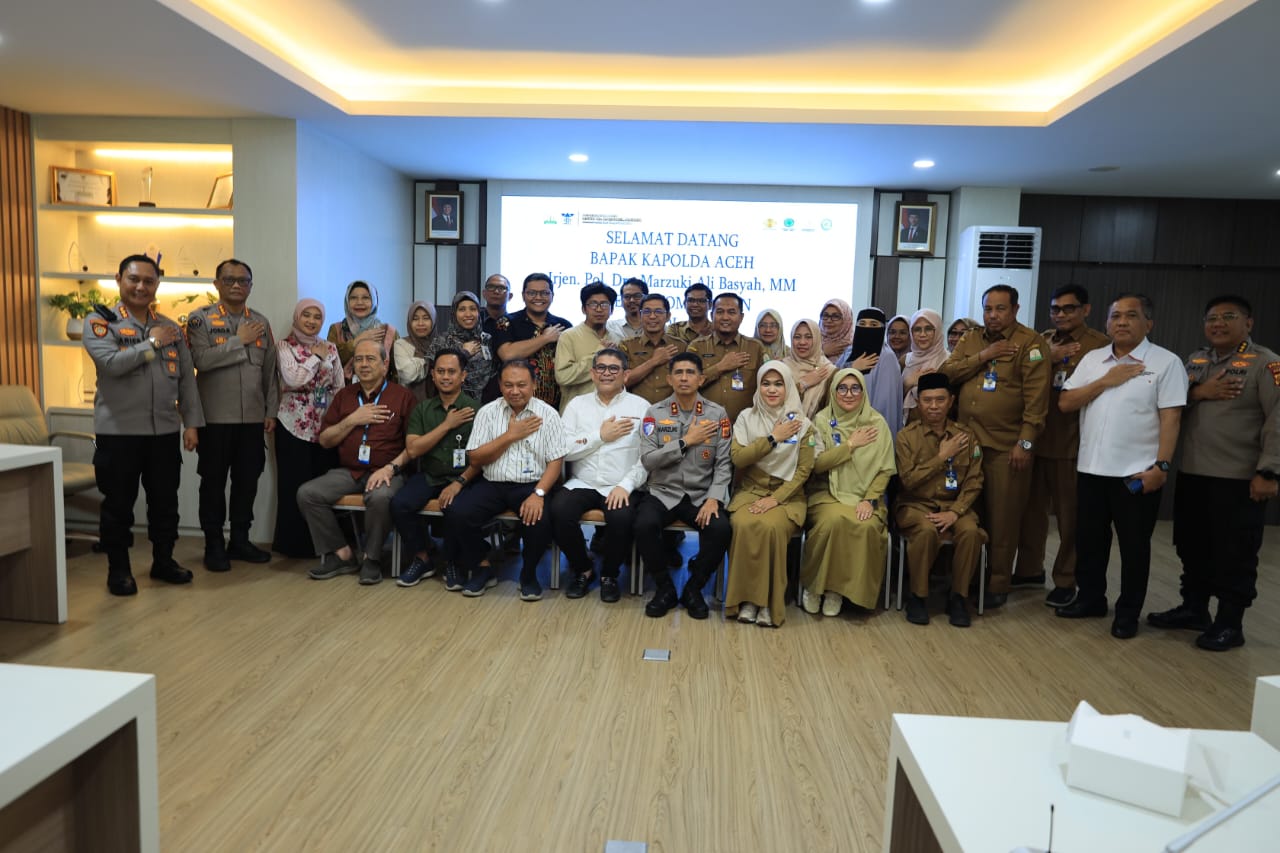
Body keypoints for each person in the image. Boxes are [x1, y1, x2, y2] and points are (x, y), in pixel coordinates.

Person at [1148, 296, 1278, 651]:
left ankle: (1230, 623)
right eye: (1211, 318)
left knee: (1235, 552)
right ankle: (1194, 609)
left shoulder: (1266, 363)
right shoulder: (1196, 360)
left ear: (1248, 323)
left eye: (1228, 317)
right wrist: (1199, 392)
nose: (1218, 324)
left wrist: (1270, 471)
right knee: (1192, 545)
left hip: (1238, 478)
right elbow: (1171, 404)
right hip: (1193, 472)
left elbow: (1278, 421)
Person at [1056, 294, 1187, 639]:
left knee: (1134, 546)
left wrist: (1161, 466)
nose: (1122, 322)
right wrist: (1105, 380)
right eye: (1115, 316)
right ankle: (1091, 599)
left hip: (1136, 473)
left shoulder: (1166, 362)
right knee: (1089, 541)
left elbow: (1171, 418)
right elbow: (1066, 402)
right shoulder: (1093, 360)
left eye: (1131, 316)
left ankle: (1128, 612)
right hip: (1091, 469)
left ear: (1149, 323)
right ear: (1106, 323)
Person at [84, 254, 204, 596]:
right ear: (119, 279)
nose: (141, 287)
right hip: (119, 433)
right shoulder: (100, 322)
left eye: (149, 281)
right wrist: (151, 344)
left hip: (163, 431)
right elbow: (111, 364)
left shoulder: (170, 327)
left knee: (165, 503)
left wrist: (192, 424)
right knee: (118, 505)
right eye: (134, 279)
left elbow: (187, 380)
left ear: (157, 284)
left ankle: (163, 561)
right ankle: (119, 570)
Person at [939, 285, 1050, 607]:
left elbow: (1036, 404)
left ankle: (998, 584)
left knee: (1003, 519)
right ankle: (969, 581)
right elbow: (947, 373)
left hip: (1006, 447)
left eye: (1000, 309)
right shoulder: (971, 339)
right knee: (970, 515)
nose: (993, 315)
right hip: (966, 444)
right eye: (988, 309)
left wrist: (1025, 444)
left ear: (1015, 309)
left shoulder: (1031, 343)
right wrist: (983, 356)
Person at [437, 359, 571, 599]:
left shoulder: (548, 415)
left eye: (522, 384)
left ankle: (528, 574)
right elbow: (475, 458)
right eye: (508, 385)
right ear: (500, 385)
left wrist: (539, 494)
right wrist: (510, 436)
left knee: (539, 519)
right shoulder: (488, 412)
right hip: (493, 483)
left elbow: (555, 462)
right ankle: (482, 565)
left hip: (532, 484)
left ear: (534, 385)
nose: (515, 391)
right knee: (457, 512)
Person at [1015, 285, 1110, 607]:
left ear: (1086, 310)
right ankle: (1029, 569)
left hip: (1071, 443)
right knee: (1030, 513)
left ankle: (1067, 579)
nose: (1061, 315)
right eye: (1055, 309)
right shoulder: (1041, 340)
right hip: (1033, 439)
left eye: (1069, 308)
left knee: (1070, 518)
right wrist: (1048, 358)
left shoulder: (1098, 345)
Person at [297, 339, 418, 585]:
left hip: (388, 472)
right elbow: (325, 440)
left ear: (385, 364)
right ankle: (343, 554)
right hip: (349, 472)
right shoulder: (345, 396)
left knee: (380, 497)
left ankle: (372, 558)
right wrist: (352, 419)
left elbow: (414, 447)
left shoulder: (403, 396)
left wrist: (390, 468)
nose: (364, 364)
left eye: (371, 359)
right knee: (307, 494)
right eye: (359, 359)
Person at [185, 258, 279, 572]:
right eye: (229, 280)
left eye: (243, 280)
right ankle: (213, 544)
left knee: (247, 482)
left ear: (251, 286)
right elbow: (201, 360)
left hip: (252, 418)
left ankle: (240, 540)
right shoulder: (200, 320)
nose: (237, 285)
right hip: (214, 419)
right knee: (213, 484)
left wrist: (271, 409)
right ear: (217, 284)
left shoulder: (260, 322)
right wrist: (240, 341)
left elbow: (269, 370)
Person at [635, 352, 733, 619]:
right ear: (669, 379)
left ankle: (694, 587)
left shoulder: (717, 414)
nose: (684, 378)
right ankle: (664, 588)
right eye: (678, 372)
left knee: (721, 529)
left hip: (700, 494)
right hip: (662, 491)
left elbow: (724, 463)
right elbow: (648, 460)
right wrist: (685, 441)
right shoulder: (654, 413)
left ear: (701, 379)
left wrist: (714, 498)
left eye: (690, 372)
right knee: (643, 524)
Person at [551, 347, 650, 602]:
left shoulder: (642, 407)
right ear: (593, 374)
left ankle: (610, 575)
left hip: (621, 484)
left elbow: (647, 457)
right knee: (559, 511)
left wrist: (626, 485)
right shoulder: (577, 405)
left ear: (625, 375)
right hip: (583, 482)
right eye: (601, 368)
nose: (607, 373)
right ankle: (583, 568)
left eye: (614, 368)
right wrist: (600, 436)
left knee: (622, 517)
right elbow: (563, 449)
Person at [723, 362, 814, 628]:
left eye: (778, 384)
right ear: (758, 387)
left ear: (788, 388)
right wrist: (773, 437)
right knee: (742, 524)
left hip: (788, 495)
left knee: (771, 527)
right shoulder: (746, 418)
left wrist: (776, 499)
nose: (772, 390)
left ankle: (766, 604)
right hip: (751, 490)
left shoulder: (803, 424)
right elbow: (739, 459)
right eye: (766, 384)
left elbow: (804, 470)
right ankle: (745, 601)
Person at [800, 368, 896, 618]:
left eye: (855, 388)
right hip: (826, 492)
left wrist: (869, 499)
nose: (849, 394)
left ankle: (837, 591)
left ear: (864, 392)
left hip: (866, 495)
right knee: (832, 521)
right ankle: (814, 587)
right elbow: (817, 464)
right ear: (833, 391)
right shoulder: (821, 420)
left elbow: (885, 470)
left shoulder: (877, 424)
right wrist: (850, 445)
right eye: (842, 388)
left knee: (865, 526)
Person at [895, 372, 986, 627]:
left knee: (970, 532)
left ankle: (959, 597)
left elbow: (974, 480)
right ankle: (918, 596)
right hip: (916, 505)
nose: (933, 406)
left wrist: (955, 511)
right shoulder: (906, 437)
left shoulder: (966, 436)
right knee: (925, 531)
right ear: (918, 402)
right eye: (927, 400)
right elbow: (908, 481)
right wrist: (942, 457)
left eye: (940, 400)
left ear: (951, 401)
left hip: (954, 506)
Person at [389, 348, 480, 587]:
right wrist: (447, 425)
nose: (445, 377)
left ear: (463, 375)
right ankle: (423, 558)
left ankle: (453, 562)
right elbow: (413, 450)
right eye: (440, 371)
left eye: (452, 372)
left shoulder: (476, 410)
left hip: (464, 477)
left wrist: (459, 483)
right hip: (431, 475)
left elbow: (482, 458)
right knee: (400, 504)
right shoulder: (423, 409)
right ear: (432, 375)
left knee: (455, 508)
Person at [273, 298, 344, 558]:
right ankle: (294, 547)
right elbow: (293, 379)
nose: (312, 321)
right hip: (292, 425)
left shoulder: (330, 347)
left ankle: (324, 545)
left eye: (317, 317)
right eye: (307, 315)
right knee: (293, 486)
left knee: (322, 486)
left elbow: (339, 386)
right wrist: (315, 357)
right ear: (297, 317)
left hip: (325, 427)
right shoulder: (284, 346)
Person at [491, 273, 572, 407]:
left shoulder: (563, 325)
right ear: (523, 295)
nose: (538, 297)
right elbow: (507, 354)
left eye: (544, 293)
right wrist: (545, 338)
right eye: (532, 293)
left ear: (552, 296)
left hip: (557, 406)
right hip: (515, 403)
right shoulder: (507, 322)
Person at [687, 292, 766, 423]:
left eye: (731, 312)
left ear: (741, 317)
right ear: (711, 316)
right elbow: (687, 383)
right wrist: (720, 367)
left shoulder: (755, 347)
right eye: (720, 312)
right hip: (705, 425)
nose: (725, 317)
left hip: (744, 426)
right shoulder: (697, 346)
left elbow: (766, 385)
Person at [554, 281, 621, 412]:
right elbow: (562, 377)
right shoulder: (569, 336)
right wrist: (598, 356)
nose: (599, 309)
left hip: (612, 411)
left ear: (612, 309)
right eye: (593, 304)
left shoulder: (618, 338)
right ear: (584, 309)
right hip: (577, 413)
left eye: (604, 304)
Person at [427, 291, 494, 401]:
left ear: (478, 312)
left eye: (473, 309)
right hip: (449, 403)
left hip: (486, 404)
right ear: (454, 313)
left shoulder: (487, 340)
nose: (468, 314)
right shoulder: (441, 341)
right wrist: (463, 354)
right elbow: (433, 379)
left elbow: (495, 376)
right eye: (462, 309)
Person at [328, 280, 399, 383]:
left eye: (366, 298)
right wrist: (357, 341)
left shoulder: (388, 332)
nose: (359, 302)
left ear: (374, 301)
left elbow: (397, 373)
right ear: (347, 301)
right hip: (344, 390)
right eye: (353, 298)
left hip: (381, 391)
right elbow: (330, 364)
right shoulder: (337, 329)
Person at [621, 293, 683, 404]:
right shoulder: (627, 346)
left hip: (672, 410)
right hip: (636, 410)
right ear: (640, 316)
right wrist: (654, 361)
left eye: (658, 312)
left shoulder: (680, 346)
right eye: (647, 312)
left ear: (668, 316)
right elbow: (621, 381)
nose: (652, 316)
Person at [902, 308, 948, 420]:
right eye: (917, 329)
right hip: (906, 425)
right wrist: (907, 383)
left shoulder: (948, 361)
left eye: (928, 329)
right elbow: (893, 398)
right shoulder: (905, 360)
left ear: (937, 330)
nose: (922, 334)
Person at [783, 318, 834, 417]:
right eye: (797, 337)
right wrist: (802, 385)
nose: (802, 342)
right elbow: (773, 404)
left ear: (817, 339)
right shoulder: (781, 367)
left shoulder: (830, 371)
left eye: (808, 337)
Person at [393, 300, 437, 402]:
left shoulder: (440, 343)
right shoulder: (401, 344)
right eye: (415, 319)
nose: (420, 323)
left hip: (438, 404)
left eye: (426, 318)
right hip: (409, 404)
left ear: (433, 320)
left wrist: (416, 362)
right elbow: (408, 374)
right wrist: (429, 360)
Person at [819, 299, 854, 364]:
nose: (829, 320)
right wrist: (822, 352)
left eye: (835, 316)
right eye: (826, 315)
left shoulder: (854, 346)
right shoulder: (812, 341)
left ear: (846, 320)